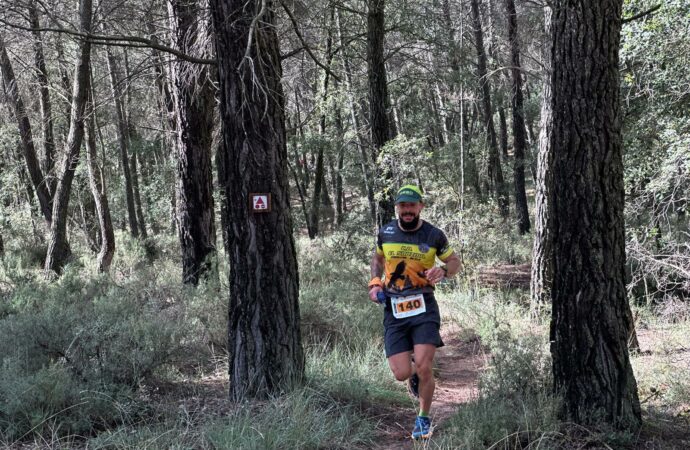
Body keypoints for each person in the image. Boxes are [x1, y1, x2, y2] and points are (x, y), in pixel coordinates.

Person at [368, 185, 461, 440]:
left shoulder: (434, 235)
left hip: (424, 307)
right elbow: (377, 259)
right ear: (397, 208)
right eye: (403, 206)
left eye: (412, 205)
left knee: (423, 365)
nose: (407, 210)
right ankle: (414, 377)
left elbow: (455, 261)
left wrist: (443, 271)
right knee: (401, 373)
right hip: (394, 308)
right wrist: (375, 283)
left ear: (420, 206)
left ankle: (423, 418)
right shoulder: (386, 232)